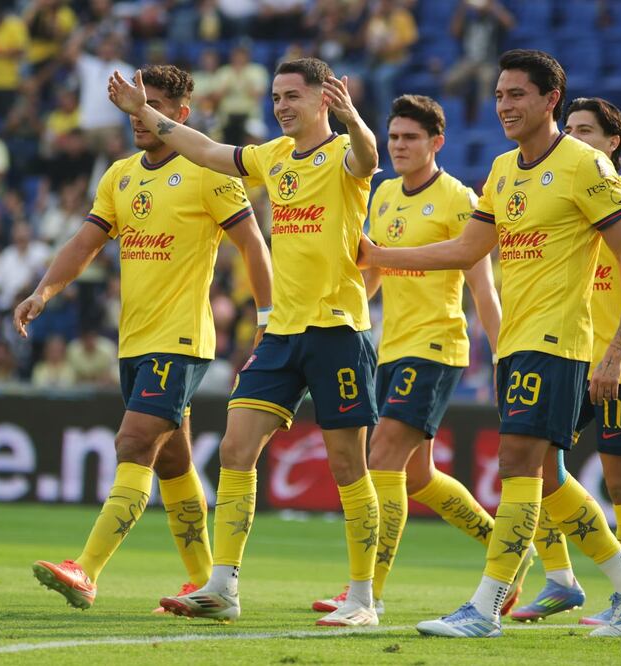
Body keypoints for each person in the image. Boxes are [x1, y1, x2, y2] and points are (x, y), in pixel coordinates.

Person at [357, 50, 621, 638]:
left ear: (551, 100)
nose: (504, 105)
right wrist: (381, 255)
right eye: (499, 95)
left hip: (557, 340)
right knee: (545, 474)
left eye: (517, 94)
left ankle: (485, 607)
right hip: (517, 342)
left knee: (518, 466)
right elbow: (465, 250)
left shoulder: (584, 166)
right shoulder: (501, 170)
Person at [108, 56, 383, 626]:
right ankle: (222, 587)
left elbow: (368, 158)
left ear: (323, 99)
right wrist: (146, 114)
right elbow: (208, 151)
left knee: (347, 464)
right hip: (282, 332)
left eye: (292, 96)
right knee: (236, 449)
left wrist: (354, 119)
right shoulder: (272, 156)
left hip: (337, 330)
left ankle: (362, 599)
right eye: (275, 96)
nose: (281, 106)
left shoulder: (343, 154)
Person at [14, 64, 273, 611]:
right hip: (134, 342)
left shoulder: (207, 172)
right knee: (174, 463)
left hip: (180, 340)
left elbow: (253, 243)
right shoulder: (120, 175)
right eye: (135, 103)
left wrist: (267, 316)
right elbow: (85, 243)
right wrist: (43, 291)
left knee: (132, 444)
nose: (137, 114)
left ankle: (86, 569)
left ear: (181, 115)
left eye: (150, 105)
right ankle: (206, 585)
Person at [311, 94, 530, 618]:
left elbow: (482, 287)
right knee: (418, 478)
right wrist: (340, 315)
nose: (399, 146)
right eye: (394, 137)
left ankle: (367, 593)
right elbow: (375, 272)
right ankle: (508, 551)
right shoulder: (384, 194)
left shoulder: (459, 199)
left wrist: (504, 356)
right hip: (391, 347)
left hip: (435, 347)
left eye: (411, 137)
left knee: (382, 456)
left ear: (437, 142)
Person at [510, 97, 621, 626]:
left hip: (619, 367)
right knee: (536, 467)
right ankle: (561, 580)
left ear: (612, 142)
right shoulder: (568, 193)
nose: (573, 138)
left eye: (586, 131)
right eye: (570, 129)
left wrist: (619, 353)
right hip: (570, 358)